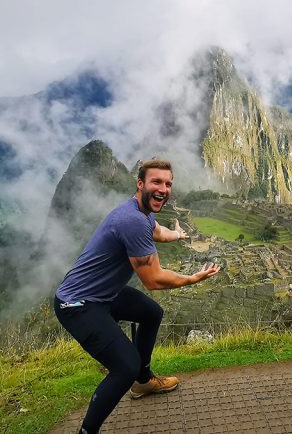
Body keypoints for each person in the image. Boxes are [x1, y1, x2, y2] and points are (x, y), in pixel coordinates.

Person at [54, 160, 221, 434]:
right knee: (125, 366)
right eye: (157, 182)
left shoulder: (141, 212)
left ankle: (143, 382)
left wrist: (177, 234)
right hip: (78, 304)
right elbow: (153, 280)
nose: (164, 189)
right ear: (140, 184)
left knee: (151, 313)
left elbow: (157, 232)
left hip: (102, 294)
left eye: (168, 184)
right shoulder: (131, 220)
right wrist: (192, 278)